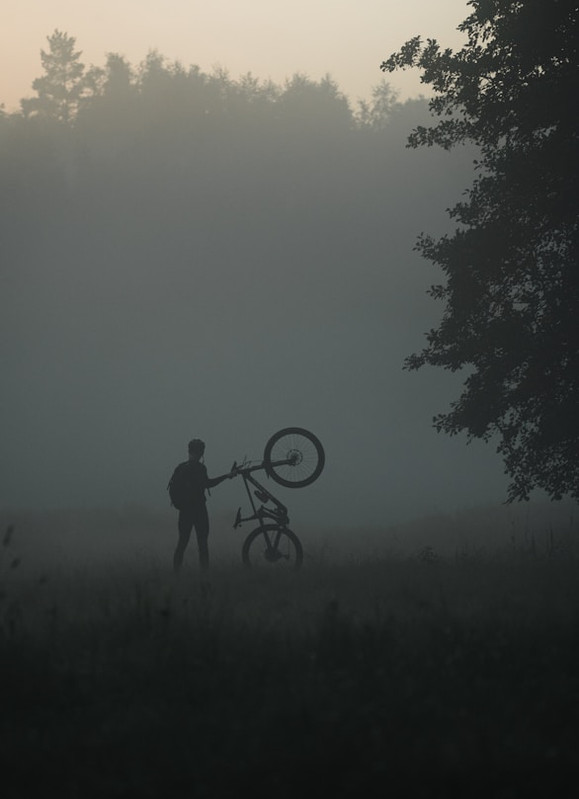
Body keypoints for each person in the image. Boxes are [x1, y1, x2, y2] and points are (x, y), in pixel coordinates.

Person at [170, 438, 235, 573]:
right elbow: (208, 484)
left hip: (185, 511)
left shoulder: (180, 467)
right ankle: (204, 574)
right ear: (201, 452)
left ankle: (176, 574)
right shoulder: (200, 468)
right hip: (199, 510)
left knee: (182, 543)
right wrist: (227, 476)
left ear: (189, 451)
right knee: (203, 544)